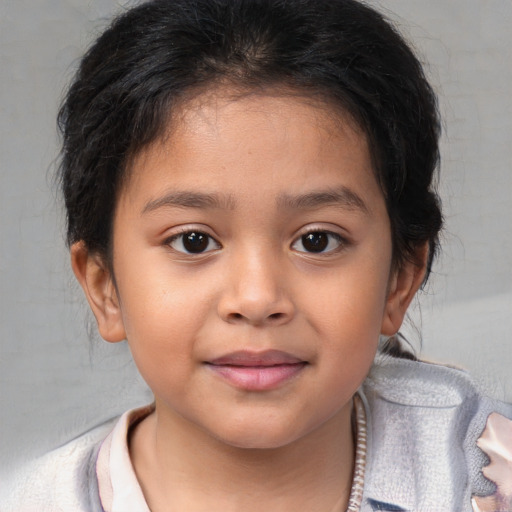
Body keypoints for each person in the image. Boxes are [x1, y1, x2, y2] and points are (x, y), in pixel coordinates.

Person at [3, 0, 511, 510]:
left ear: (400, 278)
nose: (257, 298)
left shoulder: (486, 474)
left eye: (317, 240)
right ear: (104, 286)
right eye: (193, 240)